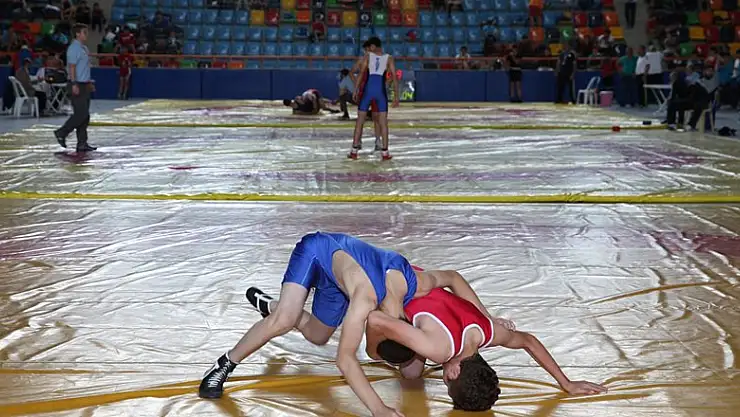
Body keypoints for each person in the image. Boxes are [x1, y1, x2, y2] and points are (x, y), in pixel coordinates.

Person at [199, 232, 495, 417]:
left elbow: (452, 277)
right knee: (285, 320)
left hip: (341, 277)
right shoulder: (365, 302)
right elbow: (345, 359)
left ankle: (272, 306)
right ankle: (224, 364)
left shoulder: (414, 284)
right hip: (318, 251)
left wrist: (487, 319)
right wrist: (378, 409)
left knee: (317, 335)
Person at [365, 286, 608, 411]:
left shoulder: (490, 332)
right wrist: (372, 352)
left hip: (419, 283)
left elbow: (528, 341)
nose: (444, 380)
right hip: (393, 283)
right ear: (453, 372)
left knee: (411, 371)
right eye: (447, 385)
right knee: (401, 362)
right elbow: (375, 320)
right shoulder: (437, 349)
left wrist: (566, 382)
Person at [349, 37, 399, 161]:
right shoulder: (389, 58)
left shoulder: (368, 56)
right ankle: (385, 153)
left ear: (373, 46)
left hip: (368, 90)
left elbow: (361, 73)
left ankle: (354, 151)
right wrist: (396, 96)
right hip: (380, 92)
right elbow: (394, 77)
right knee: (383, 122)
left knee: (360, 120)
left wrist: (356, 89)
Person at [54, 23, 96, 153]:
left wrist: (88, 82)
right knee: (81, 113)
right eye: (84, 32)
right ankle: (62, 132)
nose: (86, 35)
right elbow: (71, 67)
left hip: (84, 84)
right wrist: (73, 83)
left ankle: (82, 143)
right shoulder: (73, 48)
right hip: (77, 83)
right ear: (78, 34)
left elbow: (84, 67)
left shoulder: (84, 48)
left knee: (85, 115)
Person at [349, 41, 382, 151]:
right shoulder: (362, 60)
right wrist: (357, 85)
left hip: (374, 90)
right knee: (361, 117)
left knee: (376, 117)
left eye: (368, 49)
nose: (367, 51)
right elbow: (351, 72)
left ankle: (378, 141)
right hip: (364, 91)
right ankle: (358, 141)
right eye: (365, 50)